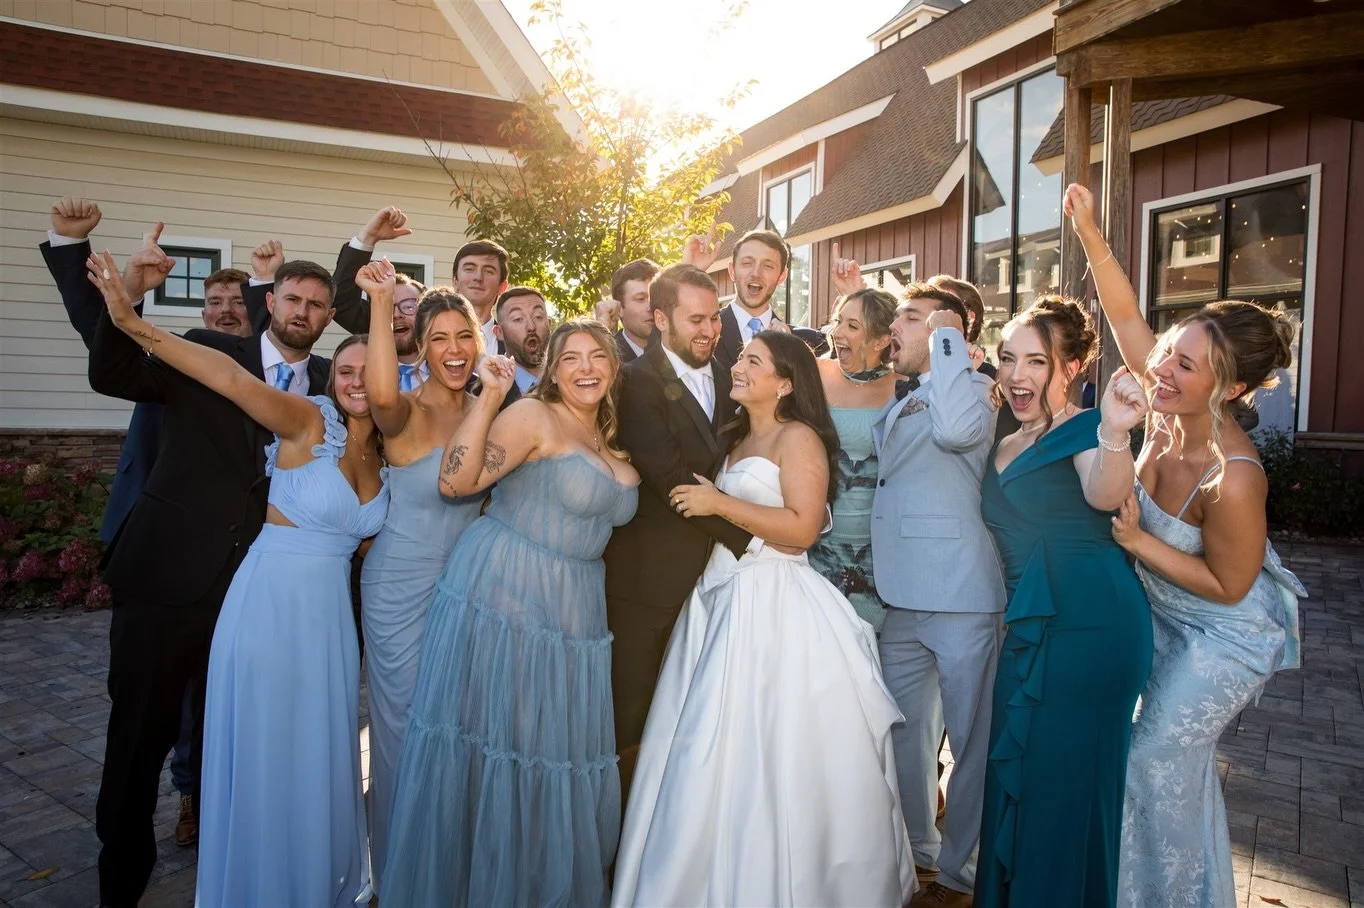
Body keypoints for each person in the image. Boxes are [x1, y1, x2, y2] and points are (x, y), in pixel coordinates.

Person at [86, 251, 383, 907]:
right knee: (138, 741)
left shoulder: (339, 383)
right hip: (170, 577)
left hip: (270, 604)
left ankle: (237, 873)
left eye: (316, 303)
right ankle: (120, 887)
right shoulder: (212, 350)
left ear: (329, 317)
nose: (303, 311)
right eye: (292, 298)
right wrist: (124, 308)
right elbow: (111, 374)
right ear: (268, 302)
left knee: (250, 748)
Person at [1064, 183, 1306, 908]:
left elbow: (1231, 587)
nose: (1162, 370)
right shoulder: (1168, 404)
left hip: (1224, 638)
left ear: (1230, 388)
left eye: (1184, 365)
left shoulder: (1235, 477)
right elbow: (1126, 315)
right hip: (1164, 617)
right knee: (1167, 770)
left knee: (1149, 760)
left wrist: (1137, 540)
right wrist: (1090, 232)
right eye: (1169, 353)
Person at [612, 330, 913, 907]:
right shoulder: (735, 438)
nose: (738, 366)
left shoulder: (799, 438)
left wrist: (719, 502)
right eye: (741, 359)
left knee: (766, 750)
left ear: (785, 384)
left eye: (753, 360)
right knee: (702, 751)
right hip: (718, 597)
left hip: (771, 603)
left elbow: (801, 530)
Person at [383, 320, 639, 907]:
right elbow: (456, 483)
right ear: (552, 370)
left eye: (597, 356)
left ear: (614, 367)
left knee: (550, 754)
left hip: (575, 610)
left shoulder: (609, 437)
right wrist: (491, 397)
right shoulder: (533, 416)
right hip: (508, 594)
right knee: (505, 746)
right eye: (570, 358)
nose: (585, 368)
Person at [38, 201, 257, 850]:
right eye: (214, 301)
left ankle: (198, 798)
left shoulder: (265, 374)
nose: (225, 310)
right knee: (145, 713)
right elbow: (101, 332)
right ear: (200, 311)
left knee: (216, 701)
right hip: (158, 557)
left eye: (238, 301)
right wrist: (79, 251)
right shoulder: (167, 356)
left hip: (233, 565)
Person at [975, 297, 1152, 908]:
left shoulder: (1087, 431)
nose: (1015, 374)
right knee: (1021, 778)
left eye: (1035, 361)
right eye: (1007, 359)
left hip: (1091, 629)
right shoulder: (1005, 434)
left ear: (1071, 368)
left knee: (1068, 794)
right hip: (1030, 630)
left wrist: (1116, 431)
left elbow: (1104, 493)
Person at [870, 283, 1006, 907]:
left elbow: (955, 434)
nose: (894, 326)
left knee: (971, 741)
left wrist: (948, 337)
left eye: (910, 317)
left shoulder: (973, 387)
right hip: (900, 593)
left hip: (962, 592)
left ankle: (963, 871)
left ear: (951, 326)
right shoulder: (908, 392)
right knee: (904, 734)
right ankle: (918, 852)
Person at [355, 260, 487, 895]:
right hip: (398, 589)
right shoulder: (402, 411)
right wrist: (382, 302)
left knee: (460, 727)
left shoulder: (492, 410)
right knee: (405, 728)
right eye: (439, 338)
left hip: (468, 591)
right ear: (422, 347)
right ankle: (400, 875)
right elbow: (378, 396)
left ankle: (449, 870)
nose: (454, 350)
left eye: (464, 336)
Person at [603, 264, 756, 802]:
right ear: (661, 318)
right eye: (696, 320)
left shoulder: (734, 378)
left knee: (703, 715)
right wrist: (756, 539)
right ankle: (628, 834)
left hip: (721, 582)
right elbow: (671, 480)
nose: (709, 330)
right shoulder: (634, 382)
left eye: (714, 318)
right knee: (636, 717)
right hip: (650, 584)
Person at [809, 278, 898, 634]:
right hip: (818, 540)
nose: (837, 333)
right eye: (838, 321)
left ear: (881, 340)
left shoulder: (902, 387)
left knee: (868, 645)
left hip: (876, 547)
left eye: (851, 325)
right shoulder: (815, 373)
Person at [682, 229, 794, 369]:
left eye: (768, 266)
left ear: (782, 276)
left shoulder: (799, 342)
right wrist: (686, 274)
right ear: (732, 271)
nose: (756, 273)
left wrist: (788, 351)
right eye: (747, 263)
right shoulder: (701, 331)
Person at [595, 257, 660, 363]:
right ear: (619, 308)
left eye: (656, 296)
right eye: (640, 299)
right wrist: (600, 332)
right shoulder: (610, 358)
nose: (651, 306)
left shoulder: (681, 351)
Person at [494, 285, 551, 403]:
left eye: (538, 317)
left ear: (549, 325)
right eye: (518, 319)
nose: (531, 327)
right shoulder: (486, 388)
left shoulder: (568, 381)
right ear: (499, 332)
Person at [453, 239, 511, 353]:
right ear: (455, 280)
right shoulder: (429, 337)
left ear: (502, 286)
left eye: (488, 271)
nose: (478, 277)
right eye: (469, 269)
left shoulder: (512, 345)